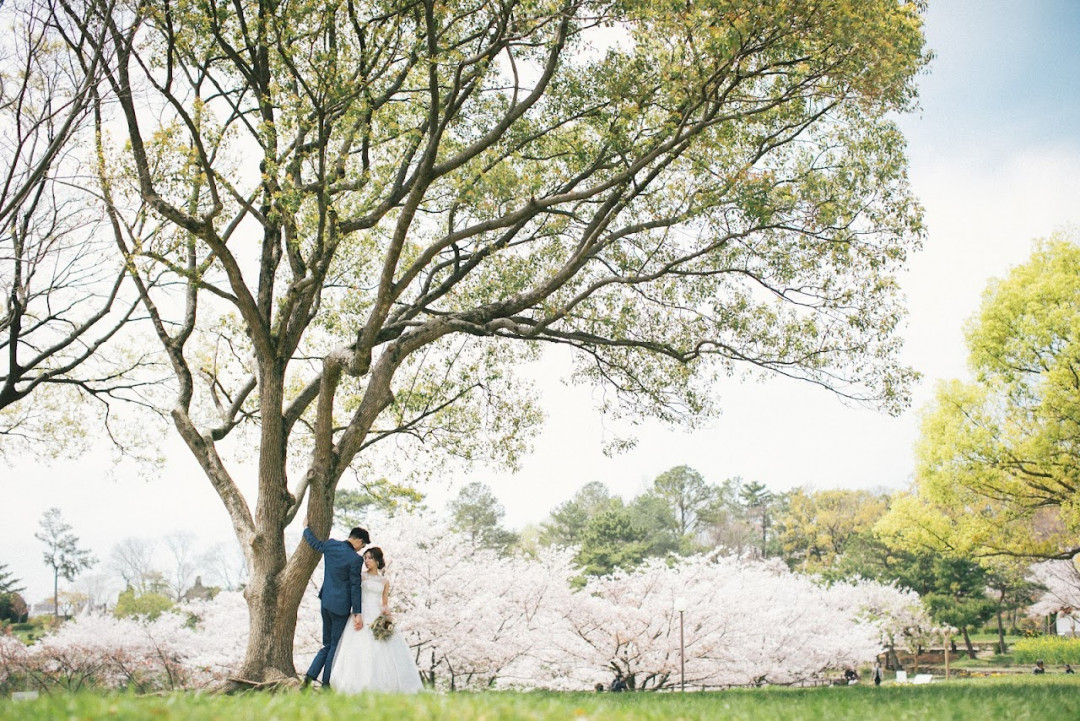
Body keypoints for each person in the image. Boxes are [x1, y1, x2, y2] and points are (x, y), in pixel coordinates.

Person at [330, 547, 423, 694]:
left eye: (370, 558)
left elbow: (384, 603)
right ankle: (356, 684)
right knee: (359, 647)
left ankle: (383, 684)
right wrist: (356, 614)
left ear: (377, 560)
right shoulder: (361, 577)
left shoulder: (384, 581)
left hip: (377, 615)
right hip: (362, 614)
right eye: (365, 558)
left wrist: (387, 615)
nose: (367, 561)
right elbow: (354, 595)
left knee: (382, 647)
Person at [302, 523, 369, 688]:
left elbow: (315, 543)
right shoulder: (355, 559)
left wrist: (306, 529)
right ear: (359, 541)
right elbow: (355, 586)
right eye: (362, 546)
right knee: (335, 645)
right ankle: (326, 683)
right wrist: (357, 612)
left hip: (326, 601)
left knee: (327, 644)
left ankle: (309, 678)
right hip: (340, 607)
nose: (361, 549)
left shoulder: (331, 545)